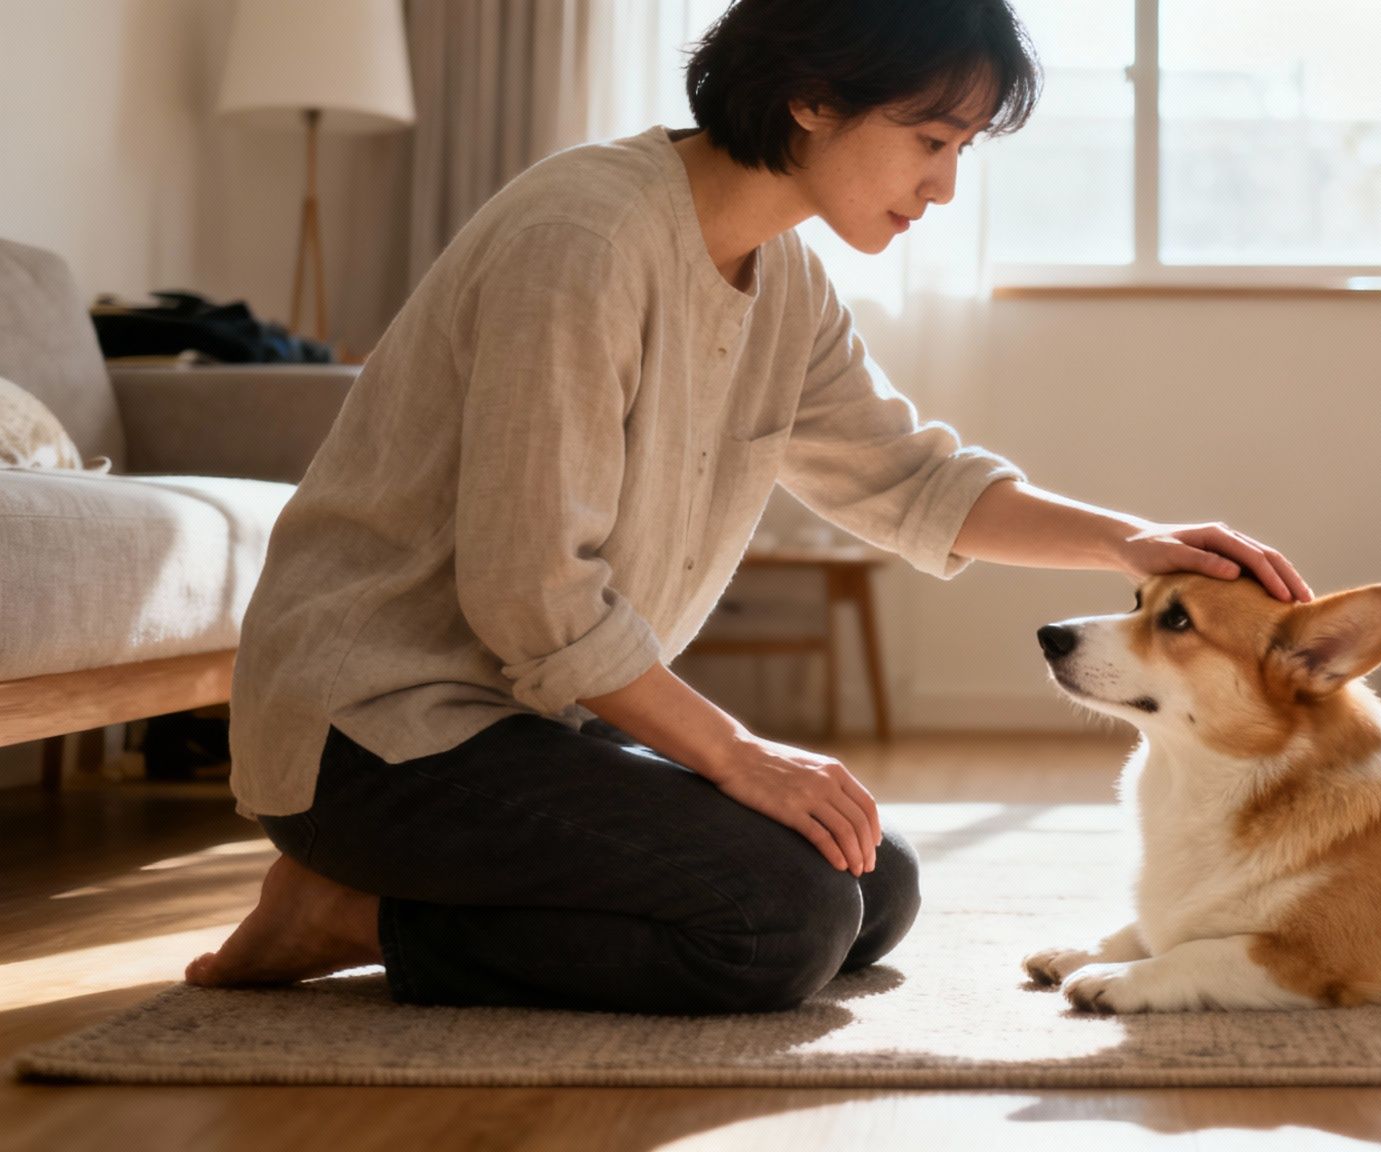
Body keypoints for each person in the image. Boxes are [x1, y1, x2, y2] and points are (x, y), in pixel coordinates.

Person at [186, 0, 1312, 1015]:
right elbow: (529, 595)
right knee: (776, 924)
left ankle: (383, 899)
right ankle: (346, 913)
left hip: (523, 727)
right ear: (811, 97)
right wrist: (735, 755)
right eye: (930, 141)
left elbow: (905, 476)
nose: (943, 186)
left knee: (874, 885)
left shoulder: (784, 277)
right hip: (377, 735)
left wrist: (1129, 541)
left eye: (962, 150)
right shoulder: (581, 241)